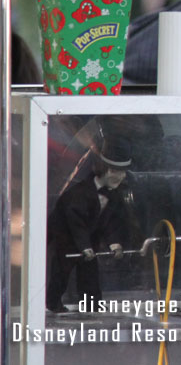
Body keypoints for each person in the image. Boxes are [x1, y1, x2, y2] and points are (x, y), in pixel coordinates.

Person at [46, 128, 133, 313]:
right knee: (61, 271)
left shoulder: (114, 196)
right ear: (102, 168)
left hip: (88, 240)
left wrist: (114, 243)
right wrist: (84, 245)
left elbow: (110, 223)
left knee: (90, 273)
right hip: (66, 238)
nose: (119, 176)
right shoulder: (79, 194)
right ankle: (53, 303)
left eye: (122, 172)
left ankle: (92, 304)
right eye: (114, 171)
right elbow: (74, 223)